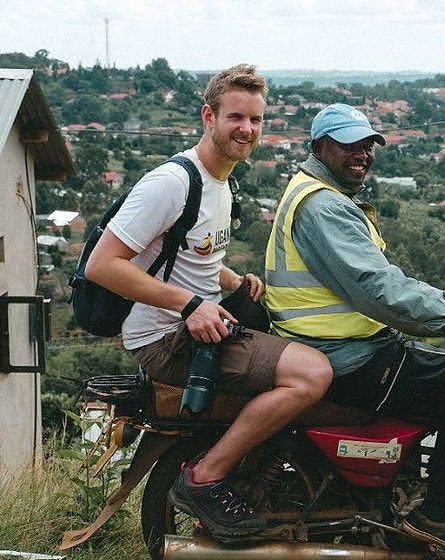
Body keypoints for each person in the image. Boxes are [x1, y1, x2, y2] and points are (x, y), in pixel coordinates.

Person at [85, 64, 334, 539]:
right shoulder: (173, 183)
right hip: (165, 339)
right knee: (312, 373)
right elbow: (103, 265)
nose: (247, 129)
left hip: (193, 324)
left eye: (255, 120)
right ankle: (204, 478)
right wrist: (188, 304)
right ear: (209, 116)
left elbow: (187, 253)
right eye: (235, 117)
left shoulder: (220, 181)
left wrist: (232, 279)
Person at [264, 103, 445, 560]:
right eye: (349, 145)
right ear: (318, 146)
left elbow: (376, 281)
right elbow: (378, 289)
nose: (362, 154)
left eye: (367, 145)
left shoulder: (316, 192)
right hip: (347, 357)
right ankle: (437, 515)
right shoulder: (324, 206)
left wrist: (444, 298)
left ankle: (399, 496)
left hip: (335, 346)